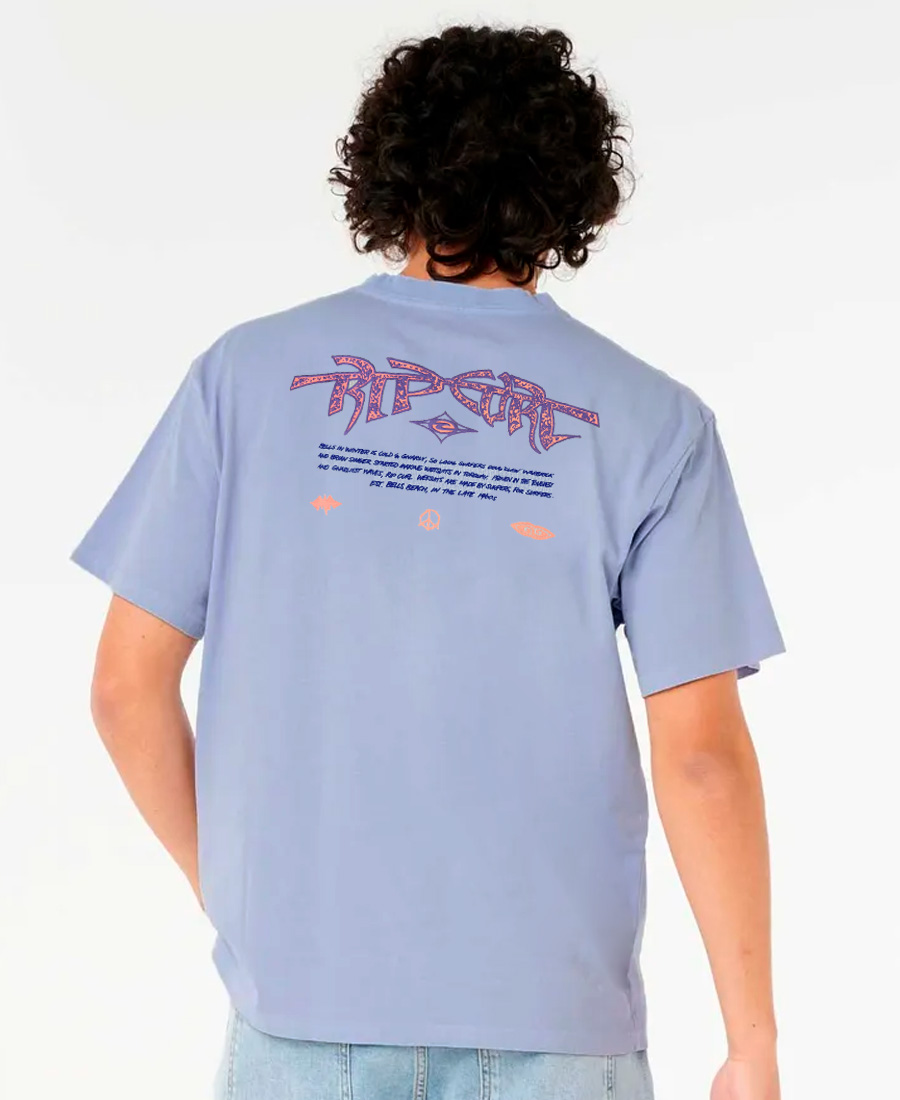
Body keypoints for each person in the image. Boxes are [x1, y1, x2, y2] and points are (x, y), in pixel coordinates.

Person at [69, 23, 785, 1100]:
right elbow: (701, 756)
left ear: (388, 171)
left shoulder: (244, 377)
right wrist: (751, 1041)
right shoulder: (654, 422)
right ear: (575, 194)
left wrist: (238, 899)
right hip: (557, 1021)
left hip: (302, 1014)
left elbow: (125, 688)